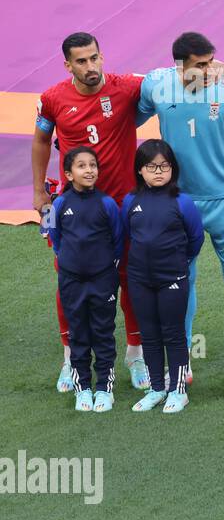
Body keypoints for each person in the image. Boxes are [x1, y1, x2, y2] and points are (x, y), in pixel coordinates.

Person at [138, 31, 224, 397]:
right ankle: (182, 362)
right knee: (182, 281)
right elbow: (124, 116)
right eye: (200, 66)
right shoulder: (157, 85)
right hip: (178, 203)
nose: (210, 71)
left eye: (212, 62)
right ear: (179, 66)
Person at [34, 32, 147, 391]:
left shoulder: (125, 87)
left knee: (131, 279)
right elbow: (39, 141)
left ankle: (136, 355)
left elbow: (175, 78)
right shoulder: (52, 99)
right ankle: (70, 359)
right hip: (71, 210)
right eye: (81, 61)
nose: (91, 66)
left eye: (95, 58)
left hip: (124, 207)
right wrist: (40, 193)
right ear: (68, 65)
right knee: (68, 282)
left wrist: (218, 67)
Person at [121, 140, 205, 413]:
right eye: (151, 166)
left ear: (173, 169)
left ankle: (178, 390)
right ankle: (157, 388)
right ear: (139, 171)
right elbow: (126, 234)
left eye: (164, 166)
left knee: (173, 333)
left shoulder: (183, 202)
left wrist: (179, 263)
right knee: (149, 334)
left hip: (172, 278)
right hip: (139, 278)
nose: (158, 171)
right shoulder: (130, 201)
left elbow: (195, 238)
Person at [49, 146, 124, 412]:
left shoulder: (107, 204)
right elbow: (54, 239)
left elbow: (117, 241)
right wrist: (70, 263)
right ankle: (83, 389)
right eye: (82, 166)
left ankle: (104, 387)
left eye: (93, 165)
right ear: (68, 174)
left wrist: (104, 268)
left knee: (103, 333)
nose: (89, 170)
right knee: (78, 334)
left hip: (103, 279)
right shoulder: (58, 204)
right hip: (71, 280)